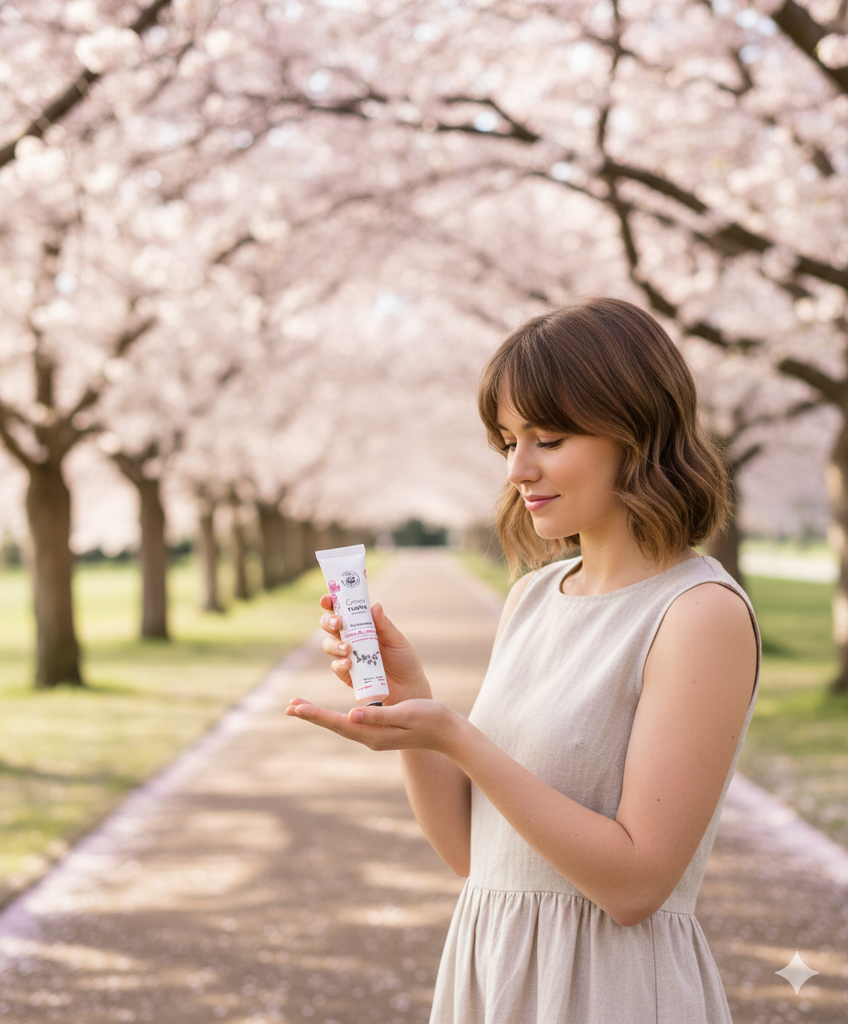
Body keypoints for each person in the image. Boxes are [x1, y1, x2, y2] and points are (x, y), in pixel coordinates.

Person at [286, 297, 760, 1023]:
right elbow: (475, 858)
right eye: (507, 441)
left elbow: (636, 885)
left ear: (637, 431)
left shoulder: (698, 614)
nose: (518, 469)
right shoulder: (533, 597)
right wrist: (413, 703)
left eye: (548, 439)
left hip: (609, 989)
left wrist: (459, 736)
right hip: (495, 971)